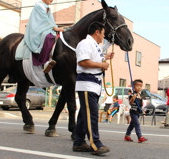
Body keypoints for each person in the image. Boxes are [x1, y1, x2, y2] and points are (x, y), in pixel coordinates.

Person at [73, 22, 114, 155]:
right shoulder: (85, 43)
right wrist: (101, 65)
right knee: (92, 114)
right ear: (97, 32)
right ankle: (95, 143)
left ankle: (79, 142)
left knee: (84, 115)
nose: (103, 36)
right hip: (87, 83)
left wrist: (106, 57)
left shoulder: (94, 45)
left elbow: (93, 59)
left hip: (93, 84)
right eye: (103, 33)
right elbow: (83, 62)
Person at [24, 0, 64, 73]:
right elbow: (44, 20)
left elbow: (51, 21)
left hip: (46, 28)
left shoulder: (47, 7)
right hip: (37, 29)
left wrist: (56, 27)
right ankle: (45, 62)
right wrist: (55, 28)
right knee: (48, 38)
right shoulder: (38, 6)